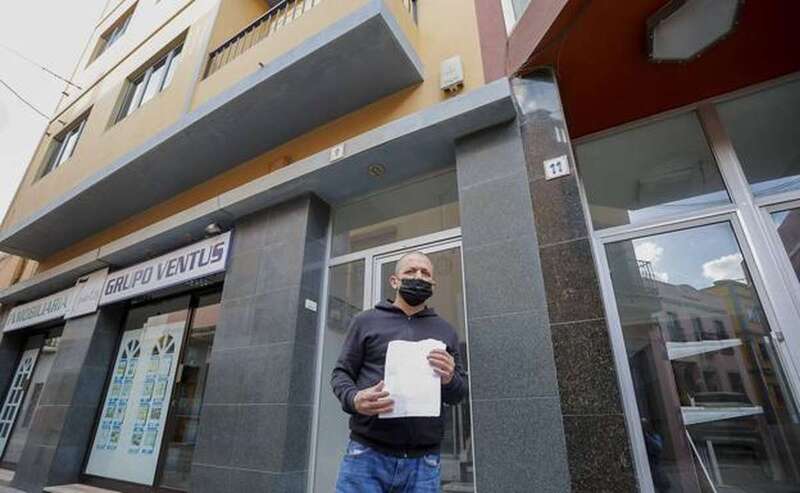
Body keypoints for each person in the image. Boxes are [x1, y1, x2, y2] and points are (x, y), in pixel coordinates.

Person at [331, 251, 468, 493]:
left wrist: (449, 378)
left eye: (425, 273)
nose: (418, 276)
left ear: (433, 284)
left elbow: (458, 394)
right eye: (410, 271)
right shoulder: (365, 321)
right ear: (395, 281)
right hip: (366, 456)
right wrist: (354, 399)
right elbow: (341, 373)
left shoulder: (446, 331)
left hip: (424, 464)